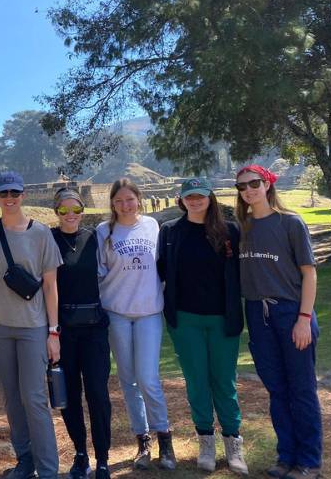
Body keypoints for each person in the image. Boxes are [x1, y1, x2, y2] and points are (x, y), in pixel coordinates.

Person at [235, 165, 322, 479]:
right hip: (258, 316)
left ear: (268, 183)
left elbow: (309, 273)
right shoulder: (240, 228)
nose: (249, 190)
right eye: (242, 186)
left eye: (254, 183)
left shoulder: (290, 223)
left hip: (291, 312)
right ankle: (286, 457)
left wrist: (303, 318)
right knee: (277, 390)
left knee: (302, 390)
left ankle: (309, 461)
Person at [0, 170, 63, 479]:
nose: (9, 198)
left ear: (23, 194)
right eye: (3, 193)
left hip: (32, 326)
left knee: (35, 398)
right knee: (11, 398)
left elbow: (51, 285)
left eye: (14, 193)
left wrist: (53, 332)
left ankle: (49, 469)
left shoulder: (40, 233)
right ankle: (25, 459)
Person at [157, 178, 248, 474]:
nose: (195, 201)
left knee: (224, 381)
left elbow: (240, 273)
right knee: (197, 381)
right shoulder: (171, 231)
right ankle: (206, 440)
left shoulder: (230, 230)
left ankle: (233, 443)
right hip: (186, 320)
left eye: (200, 196)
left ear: (210, 198)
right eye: (189, 196)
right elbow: (161, 270)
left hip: (223, 318)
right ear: (181, 200)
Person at [96, 178, 175, 470]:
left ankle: (164, 436)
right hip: (116, 311)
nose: (125, 205)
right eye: (119, 201)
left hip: (149, 311)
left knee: (147, 378)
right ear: (112, 204)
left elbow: (163, 266)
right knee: (127, 380)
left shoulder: (153, 226)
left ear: (139, 200)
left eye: (130, 199)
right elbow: (99, 273)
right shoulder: (103, 232)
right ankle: (142, 440)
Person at [50, 188, 112, 479]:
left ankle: (102, 458)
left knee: (98, 394)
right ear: (56, 212)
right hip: (63, 329)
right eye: (64, 210)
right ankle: (80, 453)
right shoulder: (48, 239)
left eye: (76, 210)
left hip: (94, 328)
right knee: (69, 395)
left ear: (83, 211)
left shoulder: (95, 237)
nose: (71, 215)